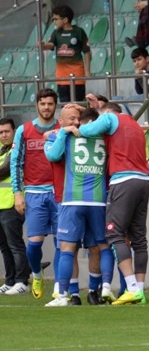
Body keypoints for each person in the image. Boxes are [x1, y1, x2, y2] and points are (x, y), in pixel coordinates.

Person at [67, 99, 149, 306]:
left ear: (107, 113)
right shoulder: (135, 126)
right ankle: (139, 290)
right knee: (139, 238)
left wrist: (72, 127)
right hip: (143, 181)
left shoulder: (110, 118)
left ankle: (131, 287)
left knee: (114, 232)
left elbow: (87, 130)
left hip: (123, 181)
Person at [43, 106, 115, 306]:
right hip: (98, 201)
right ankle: (99, 289)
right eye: (71, 119)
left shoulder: (65, 137)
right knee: (100, 246)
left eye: (77, 119)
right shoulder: (104, 136)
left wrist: (61, 133)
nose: (75, 123)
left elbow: (53, 155)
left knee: (68, 248)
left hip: (73, 199)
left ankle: (66, 295)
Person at [10, 88, 60, 299]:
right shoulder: (24, 130)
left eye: (50, 103)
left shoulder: (62, 129)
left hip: (59, 193)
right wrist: (17, 193)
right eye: (43, 104)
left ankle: (60, 286)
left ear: (55, 105)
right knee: (34, 244)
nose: (46, 107)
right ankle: (37, 274)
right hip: (34, 193)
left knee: (62, 243)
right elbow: (16, 162)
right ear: (37, 105)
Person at [0, 118, 32, 295]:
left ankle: (22, 281)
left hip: (13, 203)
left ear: (14, 132)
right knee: (4, 246)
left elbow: (5, 170)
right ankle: (10, 279)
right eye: (1, 132)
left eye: (7, 131)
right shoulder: (1, 149)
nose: (4, 135)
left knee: (14, 244)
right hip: (0, 204)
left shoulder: (16, 149)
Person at [39, 5, 91, 104]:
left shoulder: (79, 31)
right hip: (61, 74)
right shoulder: (56, 32)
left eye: (56, 19)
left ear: (65, 19)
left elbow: (87, 52)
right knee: (64, 103)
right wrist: (43, 45)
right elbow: (50, 45)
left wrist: (87, 71)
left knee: (78, 103)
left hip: (77, 73)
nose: (54, 21)